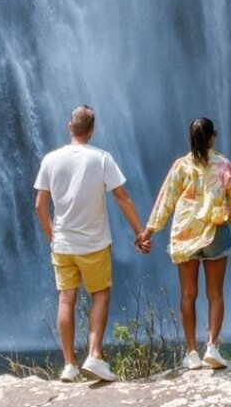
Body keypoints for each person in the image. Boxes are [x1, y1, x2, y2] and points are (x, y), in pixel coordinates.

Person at [34, 104, 148, 383]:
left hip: (63, 244)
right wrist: (140, 231)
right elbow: (122, 197)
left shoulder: (50, 159)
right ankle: (94, 356)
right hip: (94, 243)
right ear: (92, 130)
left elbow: (39, 204)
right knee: (101, 294)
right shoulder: (101, 158)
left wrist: (52, 237)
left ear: (69, 127)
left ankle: (69, 365)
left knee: (66, 299)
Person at [137, 117, 231, 371]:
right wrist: (228, 219)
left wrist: (148, 231)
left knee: (187, 293)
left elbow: (165, 201)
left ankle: (192, 353)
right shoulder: (224, 165)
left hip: (184, 235)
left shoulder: (181, 167)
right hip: (215, 230)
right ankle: (212, 347)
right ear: (213, 137)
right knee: (215, 293)